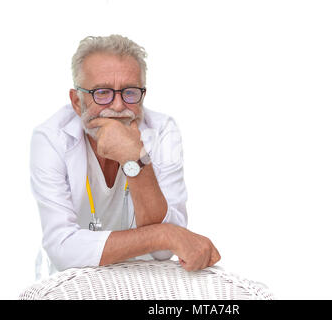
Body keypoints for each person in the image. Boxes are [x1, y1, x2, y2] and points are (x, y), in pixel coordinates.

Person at [30, 35, 220, 278]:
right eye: (102, 92)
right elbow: (62, 248)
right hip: (69, 284)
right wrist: (163, 233)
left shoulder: (163, 131)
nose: (118, 106)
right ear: (77, 102)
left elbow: (163, 253)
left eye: (130, 92)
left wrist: (135, 158)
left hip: (142, 280)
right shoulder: (50, 138)